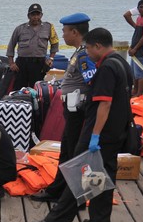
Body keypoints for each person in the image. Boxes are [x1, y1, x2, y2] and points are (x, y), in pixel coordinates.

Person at [32, 28, 133, 222]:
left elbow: (104, 104)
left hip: (100, 129)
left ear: (98, 46)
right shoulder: (122, 63)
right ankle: (100, 218)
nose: (87, 51)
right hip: (117, 129)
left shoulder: (106, 68)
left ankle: (58, 218)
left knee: (79, 172)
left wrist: (94, 135)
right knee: (104, 173)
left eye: (88, 47)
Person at [31, 12, 97, 203]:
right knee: (67, 152)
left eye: (65, 31)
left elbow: (92, 82)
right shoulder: (80, 52)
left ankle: (79, 196)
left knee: (77, 154)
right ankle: (58, 191)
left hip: (79, 112)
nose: (63, 35)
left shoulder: (84, 54)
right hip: (73, 111)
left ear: (75, 32)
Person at [7, 3, 60, 90]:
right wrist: (11, 63)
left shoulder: (49, 27)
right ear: (28, 16)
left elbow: (55, 43)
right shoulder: (20, 29)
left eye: (38, 14)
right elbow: (11, 45)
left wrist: (51, 59)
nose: (35, 17)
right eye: (33, 15)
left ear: (41, 15)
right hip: (22, 63)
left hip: (39, 64)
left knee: (37, 89)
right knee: (19, 89)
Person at [126, 0, 143, 97]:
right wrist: (131, 47)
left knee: (140, 73)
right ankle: (135, 91)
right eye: (141, 7)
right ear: (138, 9)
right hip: (135, 50)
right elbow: (137, 34)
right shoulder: (139, 18)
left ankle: (139, 94)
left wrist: (135, 48)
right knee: (134, 72)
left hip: (142, 51)